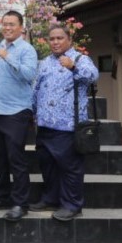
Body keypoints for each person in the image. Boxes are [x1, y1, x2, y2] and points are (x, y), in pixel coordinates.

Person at [31, 23, 98, 221]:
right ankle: (51, 198)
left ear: (69, 40)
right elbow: (36, 90)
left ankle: (72, 205)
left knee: (70, 168)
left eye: (60, 38)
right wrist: (32, 113)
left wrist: (73, 67)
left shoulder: (80, 59)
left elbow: (93, 77)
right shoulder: (44, 62)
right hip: (44, 125)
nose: (55, 42)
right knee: (48, 165)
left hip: (68, 126)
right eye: (52, 39)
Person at [0, 10, 38, 221]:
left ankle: (20, 203)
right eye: (5, 24)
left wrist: (10, 57)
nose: (7, 28)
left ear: (21, 27)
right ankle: (1, 197)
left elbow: (30, 75)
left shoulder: (26, 49)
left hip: (16, 112)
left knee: (16, 160)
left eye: (12, 24)